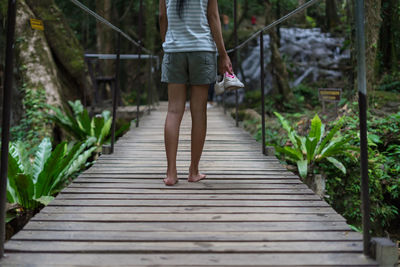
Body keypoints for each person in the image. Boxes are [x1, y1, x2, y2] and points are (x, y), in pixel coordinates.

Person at [159, 0, 233, 186]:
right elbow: (213, 17)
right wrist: (223, 54)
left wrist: (167, 44)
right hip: (202, 50)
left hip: (174, 50)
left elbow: (162, 17)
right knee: (198, 111)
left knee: (174, 111)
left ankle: (171, 173)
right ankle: (193, 171)